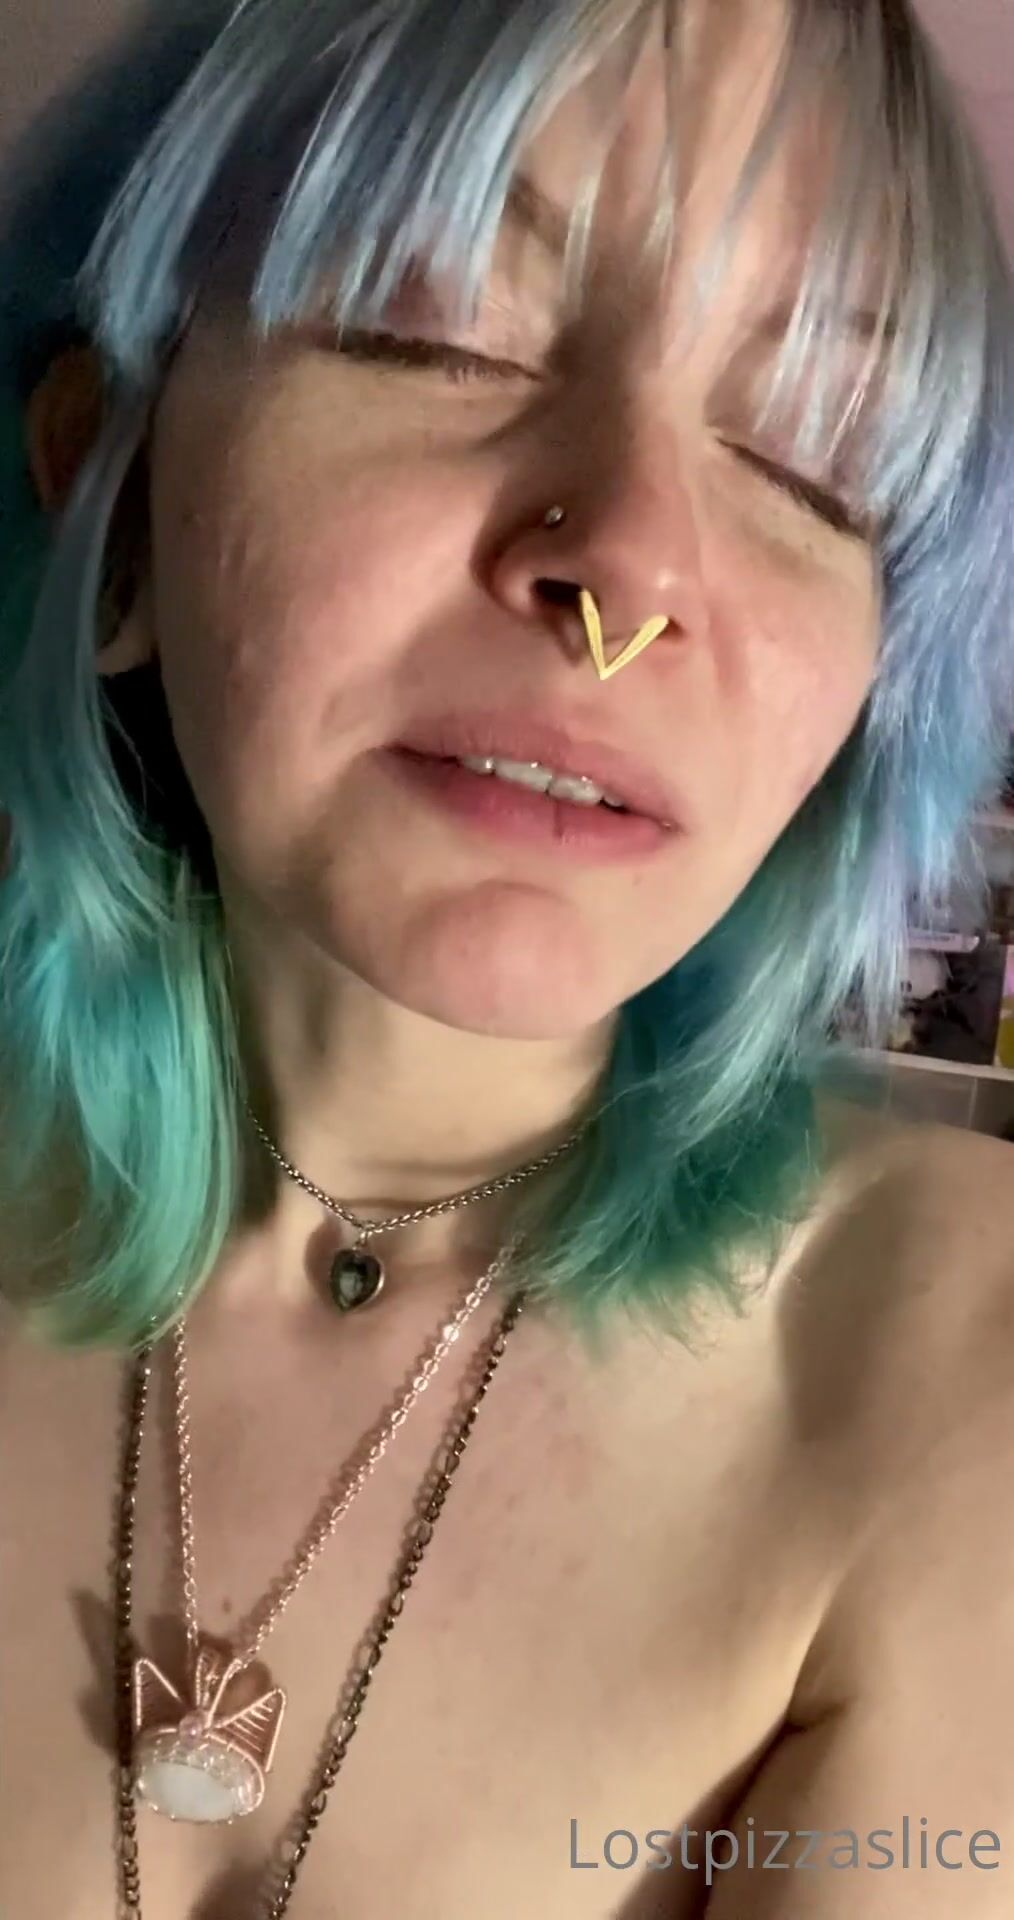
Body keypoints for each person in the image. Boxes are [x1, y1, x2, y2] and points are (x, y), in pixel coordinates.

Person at [1, 0, 1014, 1913]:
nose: (626, 571)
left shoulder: (964, 1359)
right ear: (109, 502)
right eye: (441, 328)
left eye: (811, 459)